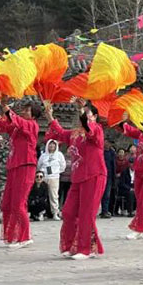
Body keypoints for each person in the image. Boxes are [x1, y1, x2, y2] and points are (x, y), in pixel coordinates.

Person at [45, 99, 107, 260]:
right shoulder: (74, 133)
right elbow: (60, 132)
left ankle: (85, 249)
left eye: (87, 113)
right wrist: (50, 116)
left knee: (86, 214)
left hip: (94, 175)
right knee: (68, 211)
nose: (83, 115)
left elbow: (89, 128)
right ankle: (72, 245)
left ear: (95, 116)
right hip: (78, 177)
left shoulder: (97, 130)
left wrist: (81, 110)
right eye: (83, 112)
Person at [0, 99, 41, 248]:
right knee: (7, 203)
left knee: (19, 203)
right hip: (14, 166)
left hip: (26, 166)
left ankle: (24, 237)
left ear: (34, 115)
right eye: (24, 109)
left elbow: (15, 119)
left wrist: (5, 106)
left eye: (27, 110)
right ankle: (12, 235)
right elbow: (4, 124)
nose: (24, 112)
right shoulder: (18, 127)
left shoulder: (32, 125)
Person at [36, 140, 65, 220]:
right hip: (44, 177)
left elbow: (63, 166)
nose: (51, 146)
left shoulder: (59, 155)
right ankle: (41, 213)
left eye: (53, 145)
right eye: (50, 145)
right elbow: (39, 165)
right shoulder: (43, 155)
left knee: (54, 196)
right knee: (42, 196)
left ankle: (55, 212)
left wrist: (56, 172)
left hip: (54, 177)